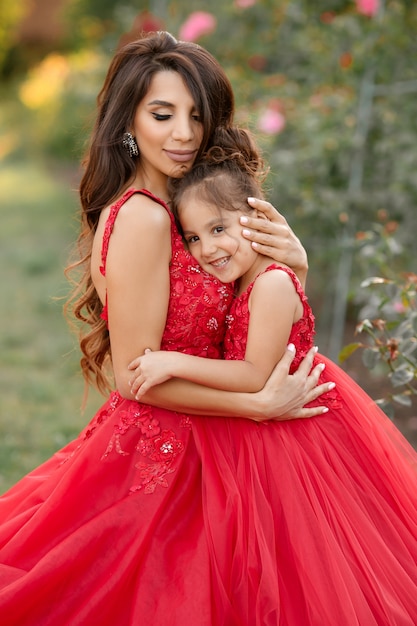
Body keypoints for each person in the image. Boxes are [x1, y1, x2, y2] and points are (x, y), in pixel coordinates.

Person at [0, 31, 332, 625]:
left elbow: (246, 312)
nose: (184, 134)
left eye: (196, 116)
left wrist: (291, 266)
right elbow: (135, 377)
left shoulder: (182, 208)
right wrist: (257, 405)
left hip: (206, 437)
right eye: (162, 114)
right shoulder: (145, 218)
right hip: (179, 451)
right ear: (128, 120)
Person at [129, 126, 417, 625]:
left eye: (219, 229)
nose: (206, 249)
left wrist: (170, 361)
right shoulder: (252, 280)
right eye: (194, 237)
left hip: (298, 431)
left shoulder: (271, 284)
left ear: (257, 220)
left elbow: (255, 374)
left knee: (306, 559)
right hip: (270, 427)